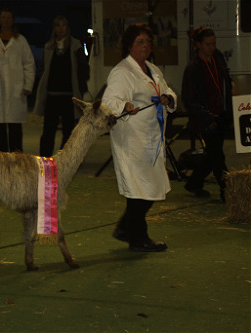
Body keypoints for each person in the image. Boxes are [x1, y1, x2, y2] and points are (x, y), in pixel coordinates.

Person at [102, 23, 176, 252]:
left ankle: (126, 228)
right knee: (139, 189)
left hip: (152, 139)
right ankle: (138, 237)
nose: (145, 46)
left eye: (147, 42)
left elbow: (169, 90)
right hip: (132, 140)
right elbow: (109, 102)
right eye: (139, 42)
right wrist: (125, 105)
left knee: (150, 187)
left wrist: (167, 98)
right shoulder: (121, 72)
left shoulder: (153, 69)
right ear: (129, 46)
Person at [182, 27, 232, 202]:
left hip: (221, 114)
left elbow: (224, 79)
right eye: (208, 44)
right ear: (198, 45)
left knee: (212, 154)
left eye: (213, 44)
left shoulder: (217, 58)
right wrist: (205, 118)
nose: (211, 47)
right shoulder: (193, 68)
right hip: (206, 119)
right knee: (218, 155)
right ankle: (228, 191)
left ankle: (194, 183)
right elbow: (189, 99)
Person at [0, 8, 36, 153]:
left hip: (16, 89)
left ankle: (17, 158)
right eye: (3, 17)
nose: (6, 20)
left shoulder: (20, 41)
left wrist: (28, 84)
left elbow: (29, 64)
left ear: (13, 20)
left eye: (9, 18)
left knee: (15, 126)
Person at [33, 15, 90, 157]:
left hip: (69, 96)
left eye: (63, 25)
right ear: (54, 29)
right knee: (48, 131)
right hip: (52, 95)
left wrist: (82, 90)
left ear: (68, 28)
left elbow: (83, 69)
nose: (60, 29)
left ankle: (65, 158)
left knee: (69, 131)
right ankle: (44, 159)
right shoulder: (48, 47)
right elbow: (44, 69)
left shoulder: (75, 46)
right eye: (58, 26)